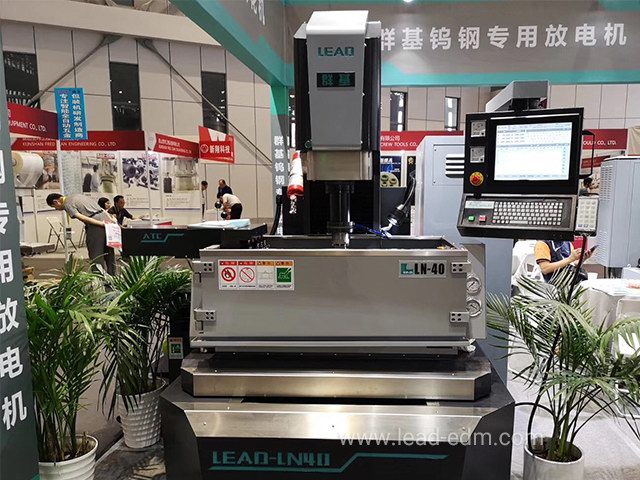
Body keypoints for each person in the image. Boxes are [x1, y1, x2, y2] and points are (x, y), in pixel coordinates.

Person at [46, 193, 117, 275]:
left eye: (54, 207)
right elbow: (101, 209)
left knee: (96, 253)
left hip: (97, 225)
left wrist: (101, 224)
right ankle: (113, 276)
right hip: (107, 221)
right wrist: (110, 219)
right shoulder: (77, 196)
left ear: (56, 202)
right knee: (109, 252)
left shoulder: (67, 204)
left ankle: (100, 277)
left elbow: (82, 217)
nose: (56, 209)